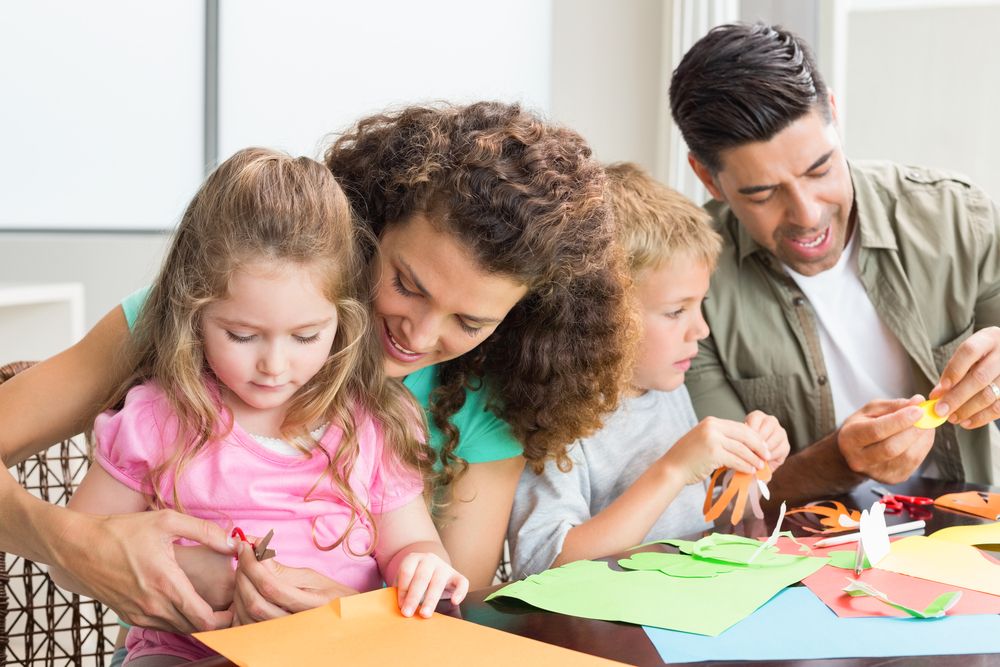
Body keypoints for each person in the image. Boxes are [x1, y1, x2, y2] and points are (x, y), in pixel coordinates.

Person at [0, 102, 633, 627]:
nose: (418, 335)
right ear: (367, 229)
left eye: (470, 322)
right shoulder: (201, 314)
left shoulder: (471, 402)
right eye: (407, 284)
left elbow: (444, 599)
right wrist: (72, 543)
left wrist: (350, 614)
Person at [50, 148, 469, 666]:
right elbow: (72, 557)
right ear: (193, 314)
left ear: (344, 319)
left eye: (306, 335)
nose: (274, 365)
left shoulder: (376, 421)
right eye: (242, 335)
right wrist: (188, 569)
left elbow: (412, 547)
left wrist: (423, 567)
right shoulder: (158, 417)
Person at [669, 22, 1000, 503]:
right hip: (801, 560)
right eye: (762, 193)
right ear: (709, 179)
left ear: (835, 116)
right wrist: (840, 460)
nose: (807, 214)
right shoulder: (688, 289)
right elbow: (725, 498)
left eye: (820, 168)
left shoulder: (956, 218)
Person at [506, 163, 790, 578]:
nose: (702, 328)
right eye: (677, 311)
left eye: (700, 305)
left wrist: (748, 470)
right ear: (600, 316)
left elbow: (701, 524)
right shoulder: (555, 414)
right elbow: (545, 564)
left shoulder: (666, 386)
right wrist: (673, 469)